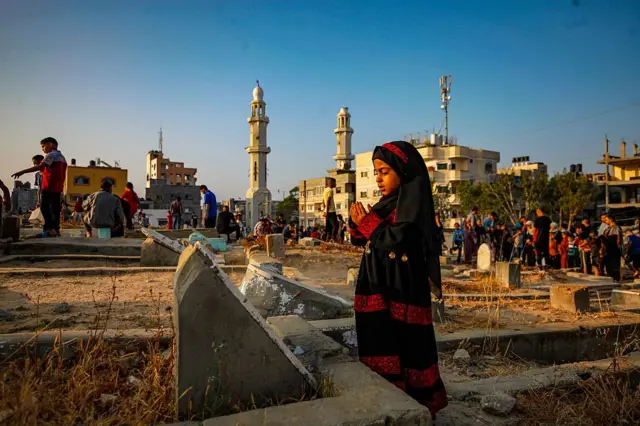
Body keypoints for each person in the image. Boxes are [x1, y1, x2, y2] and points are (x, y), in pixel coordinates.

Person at [348, 141, 447, 418]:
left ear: (403, 172)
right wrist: (358, 221)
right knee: (380, 338)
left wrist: (367, 223)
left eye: (384, 172)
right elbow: (365, 238)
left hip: (402, 290)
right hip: (378, 285)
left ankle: (414, 405)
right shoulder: (385, 204)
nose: (378, 178)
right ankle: (386, 400)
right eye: (376, 172)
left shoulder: (412, 205)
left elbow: (397, 239)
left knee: (406, 343)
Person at [12, 137, 67, 237]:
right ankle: (55, 230)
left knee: (45, 207)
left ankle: (49, 229)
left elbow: (40, 166)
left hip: (49, 186)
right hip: (58, 188)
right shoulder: (62, 157)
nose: (43, 149)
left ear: (51, 144)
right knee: (55, 209)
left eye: (43, 146)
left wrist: (23, 171)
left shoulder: (51, 155)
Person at [603, 216, 621, 281]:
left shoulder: (615, 228)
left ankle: (615, 279)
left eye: (606, 219)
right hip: (608, 250)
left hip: (613, 249)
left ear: (611, 220)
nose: (605, 221)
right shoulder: (608, 228)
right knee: (608, 266)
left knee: (613, 266)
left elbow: (615, 239)